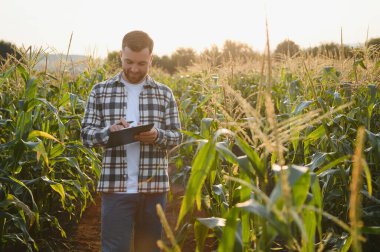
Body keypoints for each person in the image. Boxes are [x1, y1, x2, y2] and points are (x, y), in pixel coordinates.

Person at [81, 30, 182, 252]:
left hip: (154, 188)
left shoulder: (164, 94)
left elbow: (177, 136)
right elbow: (86, 135)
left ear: (151, 59)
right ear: (120, 55)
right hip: (116, 188)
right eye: (129, 62)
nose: (134, 69)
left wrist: (158, 136)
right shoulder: (100, 91)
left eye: (141, 63)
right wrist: (109, 132)